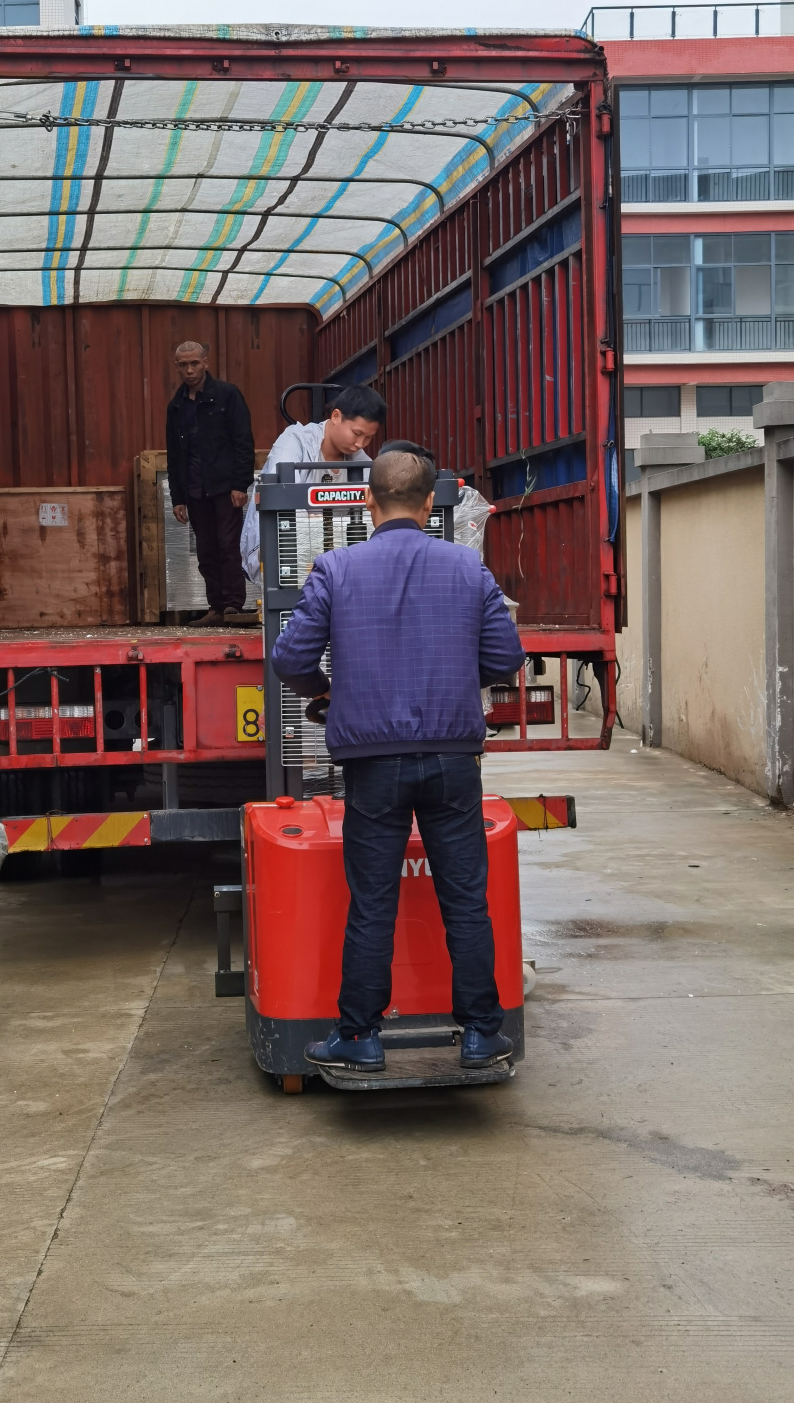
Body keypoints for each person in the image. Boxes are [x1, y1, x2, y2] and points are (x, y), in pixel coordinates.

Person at [270, 448, 526, 1074]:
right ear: (430, 503)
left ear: (368, 501)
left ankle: (359, 1037)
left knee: (372, 902)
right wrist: (455, 677)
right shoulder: (468, 568)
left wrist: (327, 691)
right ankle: (480, 1035)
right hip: (453, 760)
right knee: (465, 900)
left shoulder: (336, 569)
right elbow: (505, 657)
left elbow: (291, 659)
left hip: (372, 765)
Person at [240, 385, 385, 583]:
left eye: (368, 437)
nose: (360, 443)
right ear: (336, 416)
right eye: (356, 433)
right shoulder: (294, 441)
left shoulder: (361, 460)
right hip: (286, 552)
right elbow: (283, 495)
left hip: (336, 559)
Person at [166, 341, 257, 627]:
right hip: (195, 490)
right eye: (183, 365)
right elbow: (174, 455)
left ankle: (233, 605)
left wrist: (240, 484)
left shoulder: (227, 395)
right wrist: (178, 497)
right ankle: (216, 606)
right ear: (177, 366)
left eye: (194, 363)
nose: (189, 370)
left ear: (205, 362)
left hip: (225, 487)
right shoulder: (176, 406)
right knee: (206, 550)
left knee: (228, 545)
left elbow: (243, 441)